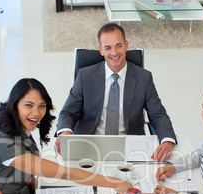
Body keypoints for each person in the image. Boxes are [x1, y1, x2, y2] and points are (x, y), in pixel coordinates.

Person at [0, 78, 131, 194]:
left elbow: (30, 172)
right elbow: (64, 173)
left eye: (41, 106)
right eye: (28, 105)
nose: (36, 113)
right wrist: (116, 183)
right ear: (15, 104)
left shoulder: (12, 124)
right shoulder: (8, 147)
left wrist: (42, 191)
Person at [55, 23, 177, 162]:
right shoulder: (85, 76)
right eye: (108, 47)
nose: (114, 52)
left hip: (129, 146)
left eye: (118, 45)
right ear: (101, 50)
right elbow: (68, 113)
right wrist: (66, 133)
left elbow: (158, 115)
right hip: (90, 144)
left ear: (126, 45)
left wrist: (167, 140)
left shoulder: (144, 78)